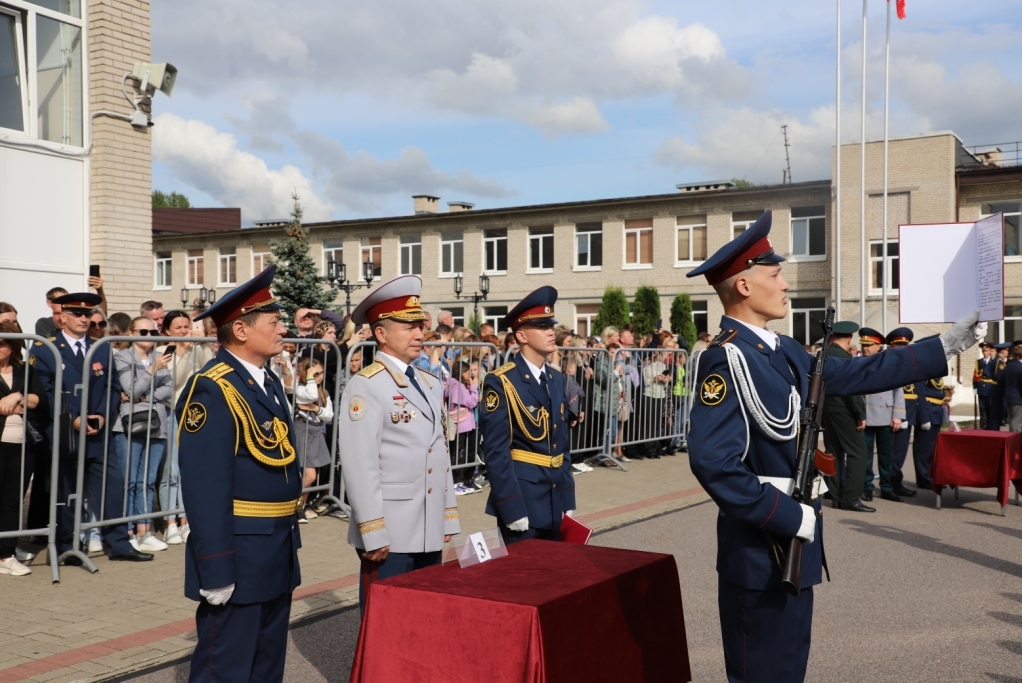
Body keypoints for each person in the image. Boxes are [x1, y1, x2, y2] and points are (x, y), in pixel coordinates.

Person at [683, 210, 983, 683]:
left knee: (789, 665)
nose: (784, 284)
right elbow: (713, 464)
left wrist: (943, 346)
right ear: (744, 286)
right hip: (763, 545)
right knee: (762, 669)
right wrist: (787, 515)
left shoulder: (781, 350)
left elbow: (857, 374)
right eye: (775, 274)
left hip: (798, 537)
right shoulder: (725, 359)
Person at [176, 265, 302, 682]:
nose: (283, 329)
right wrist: (214, 567)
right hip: (239, 557)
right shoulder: (213, 388)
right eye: (275, 322)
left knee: (266, 666)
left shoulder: (265, 381)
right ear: (242, 331)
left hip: (275, 549)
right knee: (225, 668)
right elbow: (204, 486)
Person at [337, 276, 459, 613]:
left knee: (423, 618)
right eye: (407, 327)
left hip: (428, 523)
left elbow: (439, 452)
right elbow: (361, 465)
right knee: (385, 621)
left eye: (419, 325)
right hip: (391, 530)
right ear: (381, 334)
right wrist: (372, 531)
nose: (419, 334)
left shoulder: (429, 381)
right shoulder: (367, 385)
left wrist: (448, 516)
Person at [30, 294, 152, 565]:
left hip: (98, 431)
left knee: (112, 486)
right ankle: (65, 546)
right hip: (65, 432)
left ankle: (118, 543)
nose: (83, 319)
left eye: (87, 314)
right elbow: (44, 391)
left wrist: (102, 416)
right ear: (63, 316)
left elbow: (111, 387)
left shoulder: (101, 347)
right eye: (76, 313)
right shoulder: (45, 348)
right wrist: (71, 418)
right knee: (66, 491)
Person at [478, 286, 575, 544]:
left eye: (550, 325)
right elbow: (496, 451)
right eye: (542, 327)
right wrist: (511, 506)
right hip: (523, 498)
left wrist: (567, 495)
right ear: (521, 335)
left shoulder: (556, 379)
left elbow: (562, 445)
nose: (550, 332)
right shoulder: (501, 381)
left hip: (554, 496)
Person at [113, 316, 174, 551]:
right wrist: (152, 371)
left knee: (147, 481)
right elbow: (129, 388)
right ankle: (127, 530)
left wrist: (145, 397)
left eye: (153, 332)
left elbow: (168, 388)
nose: (150, 336)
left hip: (156, 423)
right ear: (131, 333)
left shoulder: (159, 357)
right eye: (144, 331)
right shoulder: (122, 357)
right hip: (129, 423)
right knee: (128, 480)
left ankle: (144, 529)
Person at [157, 310, 213, 545]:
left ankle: (186, 519)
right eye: (177, 327)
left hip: (194, 414)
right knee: (171, 471)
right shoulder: (163, 351)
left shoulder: (195, 346)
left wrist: (204, 343)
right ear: (167, 330)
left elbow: (209, 368)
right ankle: (170, 521)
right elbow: (175, 381)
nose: (183, 331)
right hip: (172, 413)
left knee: (188, 470)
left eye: (185, 326)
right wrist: (183, 350)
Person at [0, 323, 45, 576]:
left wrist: (16, 396)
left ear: (13, 346)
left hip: (22, 444)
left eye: (3, 342)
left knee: (12, 501)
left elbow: (38, 399)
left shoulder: (23, 369)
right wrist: (7, 403)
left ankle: (6, 552)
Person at [858, 328, 906, 503]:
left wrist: (898, 415)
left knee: (886, 456)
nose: (865, 348)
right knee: (866, 456)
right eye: (863, 345)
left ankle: (887, 487)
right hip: (866, 415)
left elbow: (898, 390)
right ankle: (867, 487)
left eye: (869, 345)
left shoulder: (889, 363)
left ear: (879, 346)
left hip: (886, 414)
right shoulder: (858, 363)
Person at [294, 357, 333, 522]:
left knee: (310, 475)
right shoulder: (301, 389)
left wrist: (316, 408)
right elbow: (310, 396)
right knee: (308, 475)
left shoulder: (323, 392)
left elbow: (329, 416)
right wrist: (309, 377)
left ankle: (299, 508)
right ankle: (292, 507)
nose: (319, 377)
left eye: (321, 373)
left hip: (316, 433)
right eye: (315, 373)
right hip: (303, 432)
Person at [886, 328, 921, 498]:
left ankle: (895, 481)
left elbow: (917, 390)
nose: (901, 348)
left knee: (900, 452)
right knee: (892, 452)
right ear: (890, 346)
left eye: (904, 345)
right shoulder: (888, 363)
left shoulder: (910, 363)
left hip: (910, 413)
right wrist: (898, 414)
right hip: (894, 413)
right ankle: (891, 483)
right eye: (897, 345)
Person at [974, 342, 997, 429]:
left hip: (991, 388)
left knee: (990, 408)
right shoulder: (978, 362)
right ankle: (983, 426)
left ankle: (991, 426)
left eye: (986, 350)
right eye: (983, 351)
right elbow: (975, 375)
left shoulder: (994, 362)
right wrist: (975, 387)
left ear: (990, 351)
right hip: (981, 388)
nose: (984, 352)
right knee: (982, 408)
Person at [1002, 341, 1022, 432]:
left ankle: (1011, 440)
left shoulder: (1009, 365)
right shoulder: (1019, 367)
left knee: (1011, 420)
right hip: (1018, 397)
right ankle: (1016, 444)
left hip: (1009, 396)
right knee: (1017, 423)